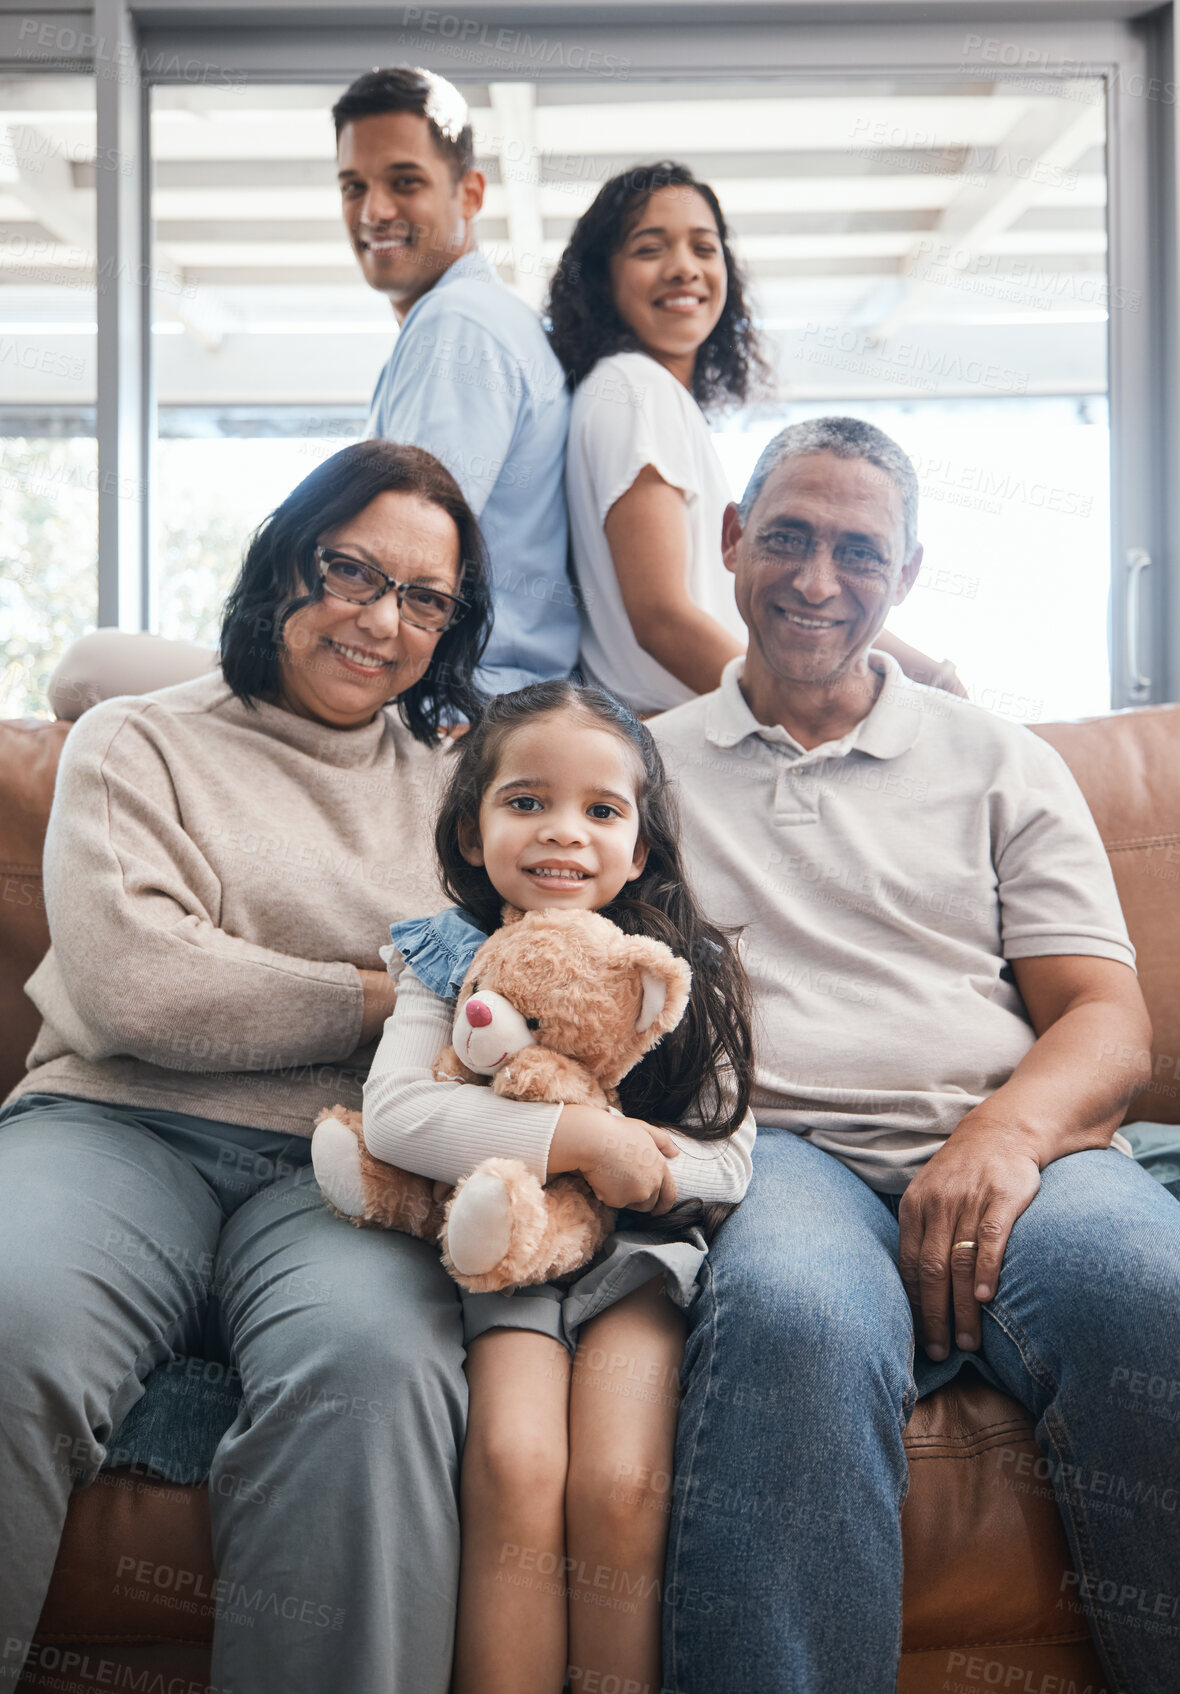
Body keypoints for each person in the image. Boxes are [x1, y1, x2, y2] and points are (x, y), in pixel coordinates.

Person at [648, 415, 1180, 1694]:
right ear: (730, 543)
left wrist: (998, 1138)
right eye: (784, 537)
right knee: (792, 1315)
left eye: (856, 550)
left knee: (1149, 1298)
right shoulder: (642, 770)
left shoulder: (1000, 755)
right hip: (776, 1148)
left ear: (908, 573)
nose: (816, 581)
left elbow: (1106, 1019)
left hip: (1019, 1141)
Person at [0, 441, 493, 1694]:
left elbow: (502, 1004)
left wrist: (283, 990)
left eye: (423, 597)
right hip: (113, 1128)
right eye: (350, 570)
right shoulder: (133, 742)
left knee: (377, 1373)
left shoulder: (469, 789)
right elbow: (139, 987)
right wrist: (386, 994)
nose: (379, 621)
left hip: (356, 1159)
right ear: (287, 558)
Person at [346, 681, 756, 1694]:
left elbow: (729, 1155)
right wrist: (580, 1138)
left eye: (601, 810)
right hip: (510, 1249)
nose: (563, 834)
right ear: (470, 828)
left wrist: (642, 1164)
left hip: (640, 1255)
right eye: (525, 801)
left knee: (618, 1486)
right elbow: (398, 1117)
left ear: (641, 845)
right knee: (516, 1468)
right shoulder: (441, 958)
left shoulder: (683, 965)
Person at [547, 161, 961, 715]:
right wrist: (793, 718)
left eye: (703, 247)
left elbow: (787, 609)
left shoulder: (644, 393)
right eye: (650, 249)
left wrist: (929, 675)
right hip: (683, 737)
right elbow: (660, 617)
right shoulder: (634, 386)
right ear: (602, 279)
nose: (683, 269)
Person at [335, 66, 578, 696]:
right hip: (468, 689)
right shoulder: (472, 319)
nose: (373, 210)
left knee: (94, 672)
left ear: (470, 194)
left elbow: (400, 557)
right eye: (353, 186)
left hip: (449, 701)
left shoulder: (461, 323)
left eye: (404, 182)